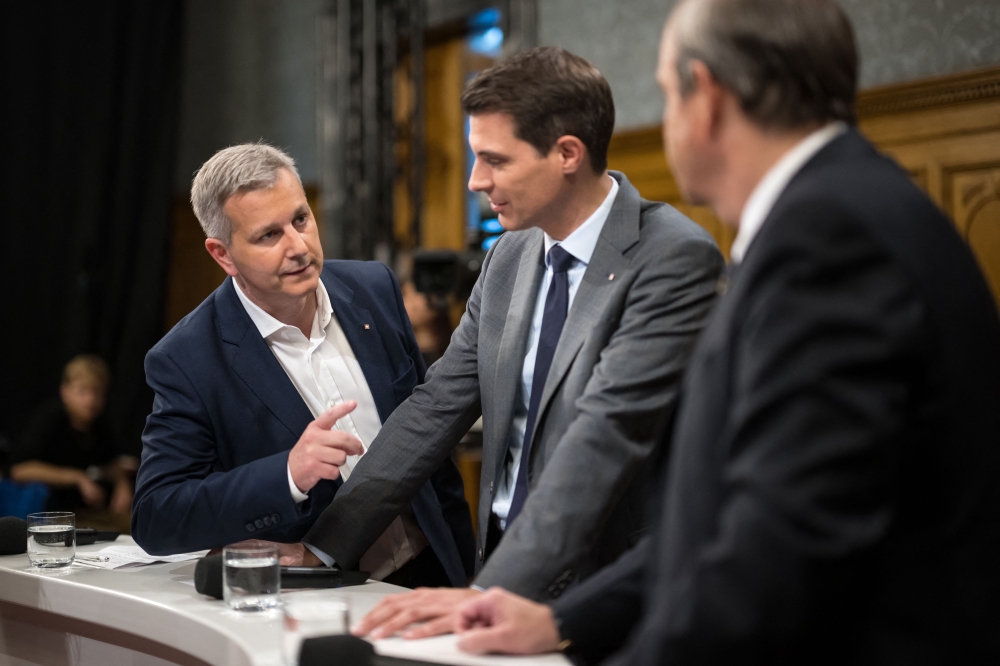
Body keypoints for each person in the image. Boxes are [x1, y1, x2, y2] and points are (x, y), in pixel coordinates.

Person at [449, 0, 1000, 663]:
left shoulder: (828, 240)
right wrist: (564, 619)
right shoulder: (838, 210)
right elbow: (722, 515)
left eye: (664, 92)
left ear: (705, 95)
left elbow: (775, 557)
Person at [288, 46, 723, 638]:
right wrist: (323, 549)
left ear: (567, 153)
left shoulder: (672, 256)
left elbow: (606, 435)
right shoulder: (509, 255)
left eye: (495, 159)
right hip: (500, 570)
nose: (475, 181)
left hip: (610, 592)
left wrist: (489, 593)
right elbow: (434, 407)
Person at [131, 144, 474, 589]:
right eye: (268, 236)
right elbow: (158, 515)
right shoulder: (188, 358)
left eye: (301, 219)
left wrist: (467, 575)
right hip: (321, 597)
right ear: (223, 255)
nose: (298, 247)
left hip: (433, 572)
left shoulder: (374, 287)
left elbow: (434, 451)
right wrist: (288, 475)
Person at [10, 355, 134, 515]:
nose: (90, 400)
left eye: (97, 392)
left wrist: (122, 484)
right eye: (82, 391)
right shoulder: (51, 419)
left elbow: (111, 462)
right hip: (43, 512)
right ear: (65, 391)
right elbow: (19, 470)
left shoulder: (100, 422)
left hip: (80, 510)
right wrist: (78, 478)